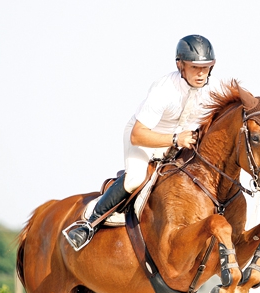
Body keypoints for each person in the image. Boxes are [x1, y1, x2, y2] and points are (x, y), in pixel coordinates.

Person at [65, 34, 218, 250]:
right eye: (195, 67)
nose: (201, 73)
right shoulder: (165, 89)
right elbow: (138, 135)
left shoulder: (212, 89)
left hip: (180, 140)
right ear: (180, 65)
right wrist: (175, 139)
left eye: (206, 67)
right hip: (146, 137)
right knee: (135, 179)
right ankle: (89, 224)